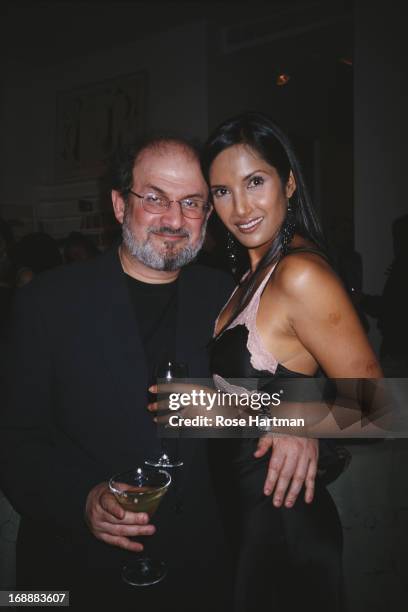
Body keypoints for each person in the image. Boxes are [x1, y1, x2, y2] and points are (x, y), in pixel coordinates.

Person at [0, 137, 237, 611]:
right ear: (117, 204)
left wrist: (295, 428)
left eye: (192, 203)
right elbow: (13, 438)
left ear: (208, 216)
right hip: (73, 575)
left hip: (199, 573)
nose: (174, 219)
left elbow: (360, 410)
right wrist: (80, 499)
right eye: (154, 198)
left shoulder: (233, 298)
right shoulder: (45, 302)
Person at [200, 112, 383, 612]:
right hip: (244, 514)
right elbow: (253, 402)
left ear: (291, 181)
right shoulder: (250, 275)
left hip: (280, 524)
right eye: (221, 191)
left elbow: (379, 406)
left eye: (255, 181)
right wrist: (184, 407)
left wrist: (300, 425)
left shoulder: (299, 273)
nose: (240, 207)